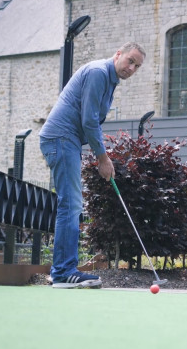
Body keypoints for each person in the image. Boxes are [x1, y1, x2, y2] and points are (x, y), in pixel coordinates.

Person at [39, 42, 145, 289]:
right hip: (61, 138)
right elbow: (89, 120)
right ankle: (64, 272)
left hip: (68, 141)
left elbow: (91, 120)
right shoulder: (99, 72)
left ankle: (62, 271)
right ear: (118, 54)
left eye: (137, 66)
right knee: (71, 204)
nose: (131, 68)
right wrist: (102, 158)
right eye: (130, 61)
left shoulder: (110, 80)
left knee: (71, 203)